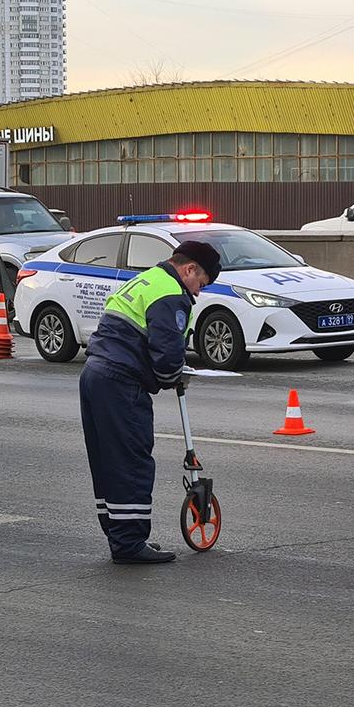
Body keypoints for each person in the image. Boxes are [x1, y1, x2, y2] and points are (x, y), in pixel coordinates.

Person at [79, 240, 222, 564]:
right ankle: (129, 544)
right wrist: (172, 376)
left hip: (95, 374)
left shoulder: (145, 280)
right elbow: (168, 351)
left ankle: (121, 537)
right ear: (189, 270)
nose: (198, 293)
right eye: (200, 284)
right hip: (120, 382)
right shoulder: (171, 294)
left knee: (107, 464)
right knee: (132, 462)